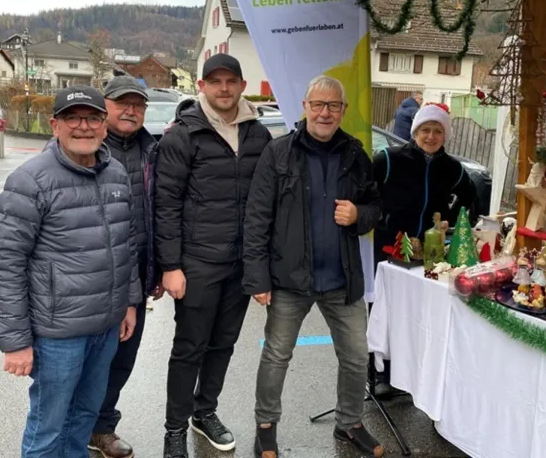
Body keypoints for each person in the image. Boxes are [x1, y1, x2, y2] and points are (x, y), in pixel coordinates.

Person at [0, 86, 142, 458]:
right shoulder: (31, 181)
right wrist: (15, 341)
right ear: (55, 125)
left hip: (104, 328)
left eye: (92, 118)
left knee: (84, 418)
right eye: (73, 117)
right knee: (48, 427)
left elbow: (125, 245)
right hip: (57, 335)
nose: (83, 127)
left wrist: (130, 302)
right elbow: (6, 262)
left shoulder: (116, 174)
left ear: (104, 126)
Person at [243, 75, 385, 458]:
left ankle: (350, 423)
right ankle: (266, 426)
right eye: (318, 105)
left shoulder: (356, 155)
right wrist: (257, 276)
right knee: (276, 355)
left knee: (356, 356)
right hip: (290, 278)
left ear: (344, 111)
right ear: (305, 107)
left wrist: (359, 214)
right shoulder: (279, 153)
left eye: (333, 105)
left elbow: (375, 207)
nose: (325, 112)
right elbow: (257, 216)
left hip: (342, 278)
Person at [155, 53, 272, 458]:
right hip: (198, 263)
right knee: (189, 347)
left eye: (231, 81)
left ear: (242, 85)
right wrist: (171, 266)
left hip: (240, 264)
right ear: (201, 86)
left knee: (223, 345)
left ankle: (205, 414)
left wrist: (262, 265)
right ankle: (174, 429)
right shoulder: (183, 135)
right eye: (215, 81)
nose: (224, 88)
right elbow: (165, 203)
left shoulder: (259, 136)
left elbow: (268, 204)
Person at [372, 102, 478, 394]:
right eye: (425, 130)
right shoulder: (388, 159)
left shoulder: (453, 168)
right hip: (389, 248)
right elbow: (365, 194)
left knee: (418, 312)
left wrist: (454, 226)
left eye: (437, 131)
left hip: (431, 252)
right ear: (415, 131)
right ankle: (381, 374)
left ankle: (412, 373)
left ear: (445, 135)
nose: (431, 137)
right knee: (385, 309)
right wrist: (382, 218)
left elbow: (470, 201)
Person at [89, 76, 162, 458]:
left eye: (138, 105)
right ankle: (72, 428)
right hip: (93, 280)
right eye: (123, 103)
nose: (131, 110)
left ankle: (101, 428)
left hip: (136, 277)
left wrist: (160, 267)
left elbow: (163, 212)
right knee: (86, 361)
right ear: (106, 105)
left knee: (122, 359)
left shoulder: (154, 151)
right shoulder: (86, 148)